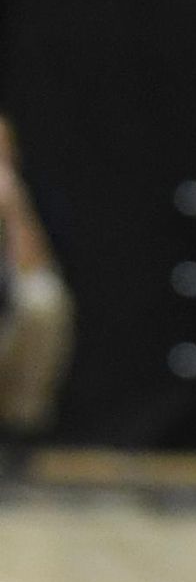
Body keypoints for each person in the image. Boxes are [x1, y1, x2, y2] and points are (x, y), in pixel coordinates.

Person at [0, 118, 73, 454]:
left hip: (8, 320)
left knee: (44, 300)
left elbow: (36, 268)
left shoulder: (25, 197)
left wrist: (14, 210)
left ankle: (20, 426)